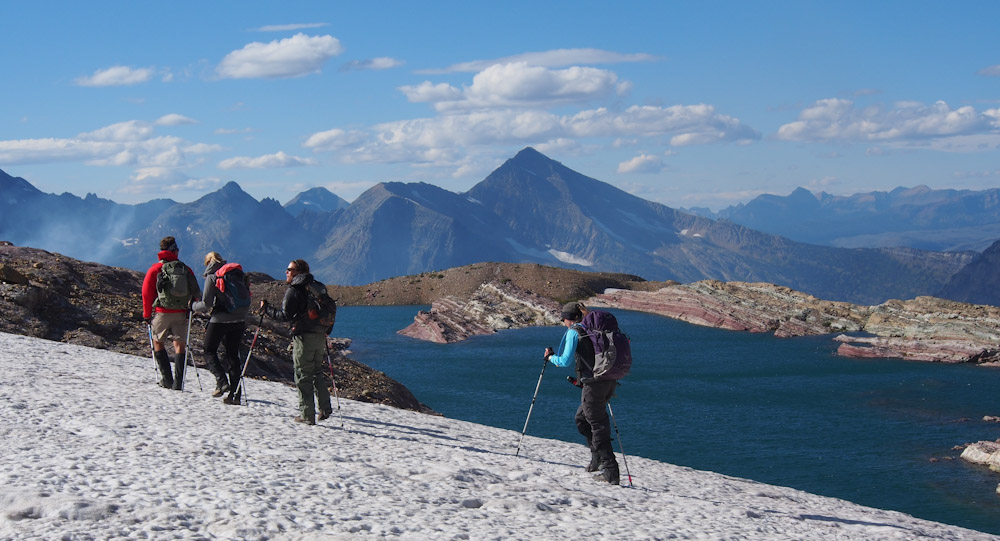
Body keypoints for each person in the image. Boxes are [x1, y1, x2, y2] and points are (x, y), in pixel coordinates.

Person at [543, 301, 621, 485]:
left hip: (594, 384)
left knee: (597, 424)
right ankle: (597, 459)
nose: (563, 323)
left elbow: (564, 361)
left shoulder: (574, 332)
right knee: (582, 418)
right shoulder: (593, 329)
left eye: (563, 319)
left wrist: (549, 357)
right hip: (608, 381)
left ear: (569, 319)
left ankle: (611, 472)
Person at [259, 259, 332, 425]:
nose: (286, 272)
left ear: (298, 273)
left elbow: (286, 316)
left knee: (302, 375)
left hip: (303, 337)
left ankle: (307, 414)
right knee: (316, 372)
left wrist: (267, 309)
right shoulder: (316, 287)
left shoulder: (294, 290)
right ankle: (325, 408)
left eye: (289, 269)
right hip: (319, 336)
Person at [142, 236, 202, 390]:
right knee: (180, 344)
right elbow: (196, 291)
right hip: (181, 312)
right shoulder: (185, 269)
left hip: (162, 311)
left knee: (157, 341)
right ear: (175, 250)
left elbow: (147, 293)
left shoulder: (155, 269)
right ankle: (178, 383)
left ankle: (166, 379)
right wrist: (192, 308)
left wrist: (147, 314)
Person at [192, 251, 250, 405]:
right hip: (239, 319)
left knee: (209, 350)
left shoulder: (213, 277)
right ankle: (235, 395)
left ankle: (221, 380)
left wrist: (192, 306)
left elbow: (206, 305)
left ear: (208, 263)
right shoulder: (237, 274)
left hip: (220, 319)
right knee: (232, 355)